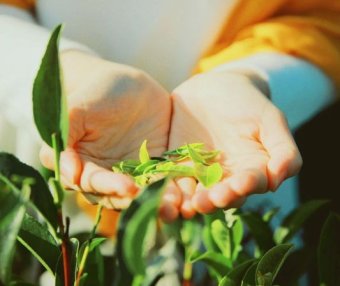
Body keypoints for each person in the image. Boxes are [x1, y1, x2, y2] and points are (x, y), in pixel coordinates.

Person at [0, 1, 339, 232]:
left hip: (237, 169)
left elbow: (321, 18)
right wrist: (71, 75)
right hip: (53, 167)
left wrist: (248, 76)